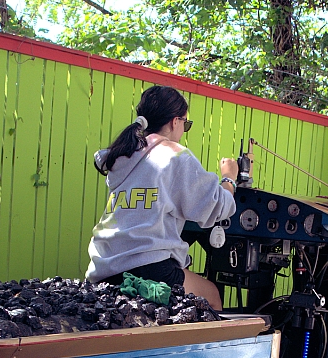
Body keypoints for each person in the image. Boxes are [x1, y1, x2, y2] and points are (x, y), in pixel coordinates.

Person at [85, 85, 239, 310]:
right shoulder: (175, 155)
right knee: (212, 296)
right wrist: (229, 178)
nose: (183, 130)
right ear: (174, 122)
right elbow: (216, 206)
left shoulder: (123, 154)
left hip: (104, 266)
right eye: (186, 124)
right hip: (147, 268)